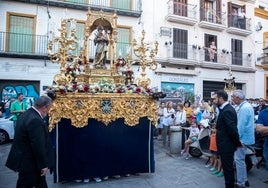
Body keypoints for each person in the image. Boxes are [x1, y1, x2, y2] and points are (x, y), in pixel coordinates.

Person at [6, 95, 54, 188]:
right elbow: (38, 145)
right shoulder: (35, 120)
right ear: (44, 107)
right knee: (26, 184)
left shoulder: (26, 113)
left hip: (26, 160)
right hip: (30, 163)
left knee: (39, 183)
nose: (48, 111)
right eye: (49, 108)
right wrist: (43, 165)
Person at [214, 90, 242, 188]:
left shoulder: (227, 110)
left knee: (228, 169)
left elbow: (233, 130)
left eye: (215, 98)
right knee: (227, 168)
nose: (214, 101)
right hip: (224, 144)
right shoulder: (224, 109)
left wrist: (237, 143)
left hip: (227, 145)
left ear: (221, 98)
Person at [232, 90, 255, 188]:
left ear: (238, 97)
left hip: (242, 139)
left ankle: (241, 183)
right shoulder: (245, 106)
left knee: (239, 160)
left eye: (233, 97)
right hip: (245, 138)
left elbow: (240, 126)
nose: (232, 99)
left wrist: (237, 140)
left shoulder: (244, 108)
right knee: (240, 160)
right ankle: (244, 180)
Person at [256, 106, 268, 171]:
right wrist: (263, 131)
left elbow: (262, 130)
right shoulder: (263, 112)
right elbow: (259, 129)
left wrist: (265, 130)